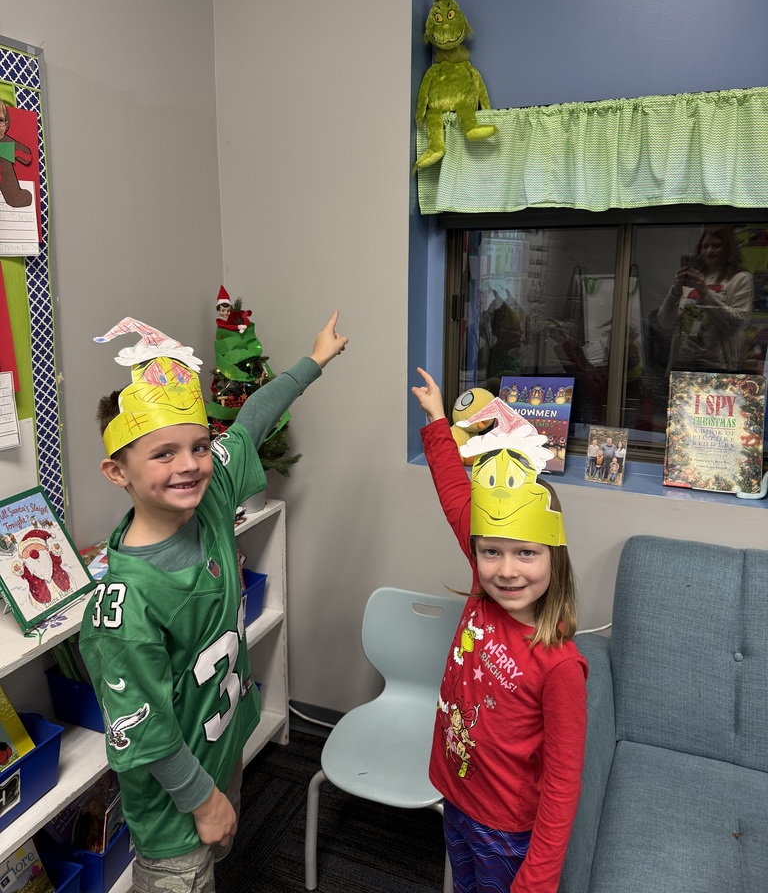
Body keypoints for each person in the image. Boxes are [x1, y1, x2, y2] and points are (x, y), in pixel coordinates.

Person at [79, 311, 347, 893]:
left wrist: (314, 361)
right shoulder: (125, 607)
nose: (190, 464)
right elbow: (144, 732)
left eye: (199, 445)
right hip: (175, 808)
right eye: (163, 454)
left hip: (221, 745)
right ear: (115, 471)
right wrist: (201, 802)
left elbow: (250, 420)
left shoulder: (212, 492)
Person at [411, 368, 587, 893]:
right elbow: (452, 496)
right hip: (456, 793)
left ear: (553, 557)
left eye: (526, 554)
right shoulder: (485, 588)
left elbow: (562, 783)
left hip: (506, 831)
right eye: (491, 551)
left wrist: (537, 880)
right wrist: (440, 422)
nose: (507, 570)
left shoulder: (560, 666)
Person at [657, 226, 753, 374]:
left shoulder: (740, 279)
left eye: (716, 246)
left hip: (718, 368)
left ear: (728, 249)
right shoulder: (692, 278)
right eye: (705, 246)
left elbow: (733, 325)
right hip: (682, 366)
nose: (709, 251)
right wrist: (675, 290)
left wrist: (704, 292)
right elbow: (664, 322)